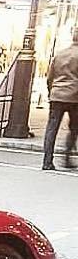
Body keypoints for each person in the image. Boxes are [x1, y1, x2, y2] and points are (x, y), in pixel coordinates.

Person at [43, 26, 78, 171]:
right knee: (74, 128)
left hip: (56, 95)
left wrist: (51, 91)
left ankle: (47, 161)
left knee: (51, 129)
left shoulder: (60, 54)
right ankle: (67, 157)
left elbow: (50, 76)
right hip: (74, 97)